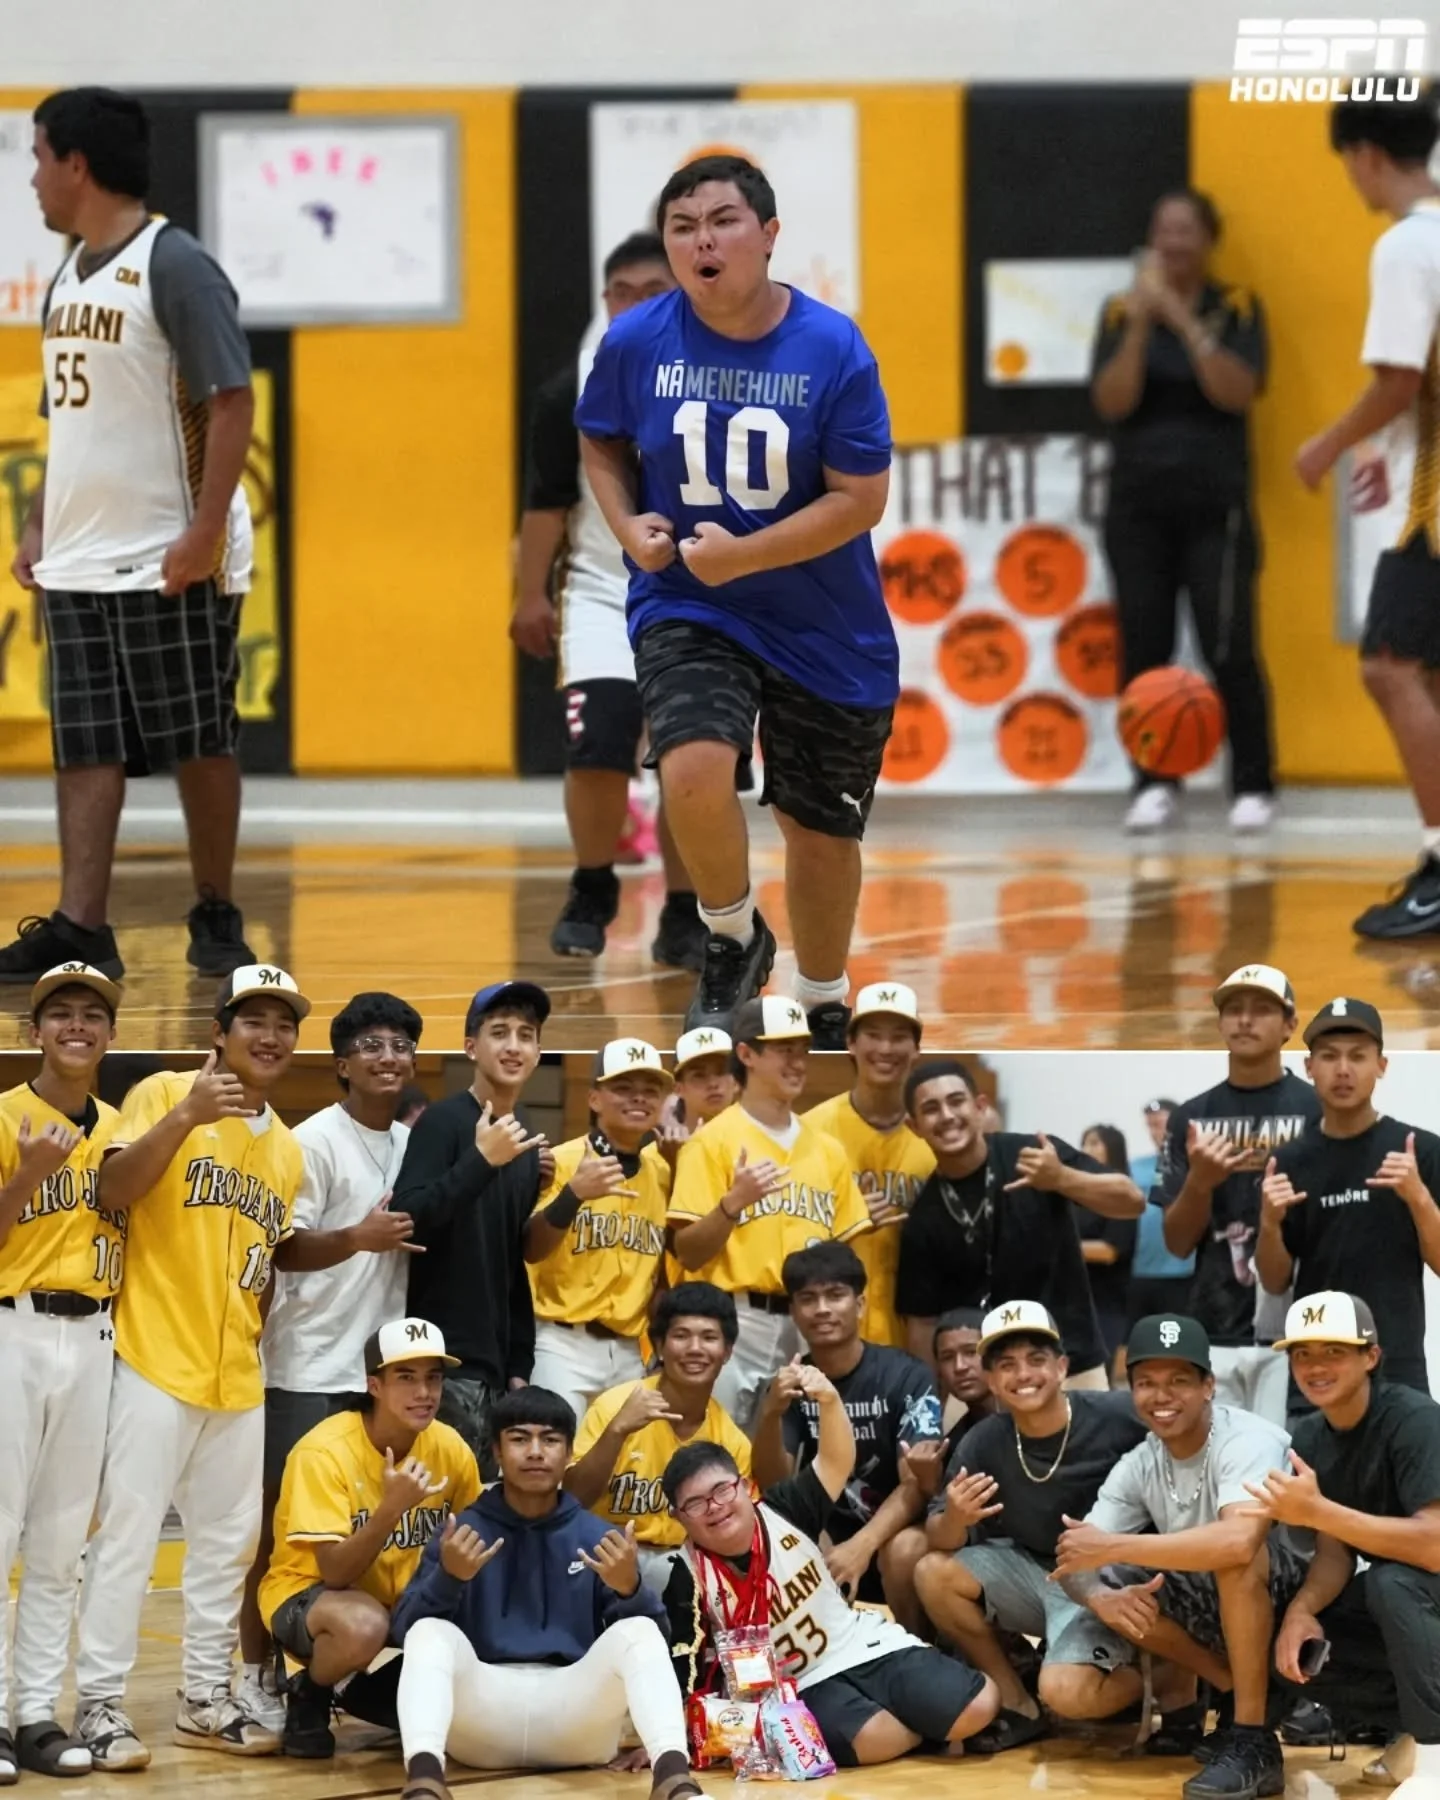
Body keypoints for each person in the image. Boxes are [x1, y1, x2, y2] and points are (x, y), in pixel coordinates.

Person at [575, 152, 898, 1047]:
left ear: (767, 236)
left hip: (823, 622)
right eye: (683, 227)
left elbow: (860, 499)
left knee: (817, 830)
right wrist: (628, 521)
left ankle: (825, 996)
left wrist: (747, 555)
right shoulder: (637, 339)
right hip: (690, 601)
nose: (701, 241)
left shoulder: (832, 347)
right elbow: (599, 442)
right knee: (690, 768)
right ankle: (731, 936)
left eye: (721, 222)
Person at [3, 87, 257, 984]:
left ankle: (217, 908)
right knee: (84, 743)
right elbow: (64, 418)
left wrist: (200, 531)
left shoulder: (173, 263)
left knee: (200, 736)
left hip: (164, 552)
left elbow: (232, 398)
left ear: (76, 163)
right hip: (78, 555)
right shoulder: (69, 273)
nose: (31, 176)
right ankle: (80, 923)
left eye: (37, 157)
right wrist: (39, 525)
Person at [72, 965, 308, 1767]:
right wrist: (185, 1115)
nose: (269, 1036)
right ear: (220, 1031)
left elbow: (267, 1263)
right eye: (253, 1020)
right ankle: (100, 1705)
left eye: (284, 1024)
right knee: (129, 1541)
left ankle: (203, 1697)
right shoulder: (164, 1091)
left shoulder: (285, 1149)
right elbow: (112, 1188)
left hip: (235, 1372)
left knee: (226, 1547)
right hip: (150, 1353)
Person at [512, 232, 705, 973]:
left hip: (700, 594)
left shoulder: (723, 374)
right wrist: (529, 593)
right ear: (605, 303)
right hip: (601, 591)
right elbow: (546, 505)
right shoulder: (571, 392)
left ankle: (686, 913)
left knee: (692, 758)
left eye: (652, 291)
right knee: (596, 748)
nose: (635, 306)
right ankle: (592, 886)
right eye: (621, 293)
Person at [239, 991, 428, 1729]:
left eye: (401, 1046)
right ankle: (256, 1674)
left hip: (381, 1373)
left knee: (370, 1527)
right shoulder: (309, 1140)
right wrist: (358, 1236)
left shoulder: (415, 1143)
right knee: (280, 1537)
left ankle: (322, 1681)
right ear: (342, 1064)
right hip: (308, 1366)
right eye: (372, 1046)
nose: (389, 1058)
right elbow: (284, 1247)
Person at [660, 1372, 1000, 1766]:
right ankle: (925, 1726)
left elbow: (836, 1461)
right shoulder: (686, 1575)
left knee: (979, 1705)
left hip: (860, 1644)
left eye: (721, 1490)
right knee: (874, 1739)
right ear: (678, 1517)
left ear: (742, 1486)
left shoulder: (783, 1508)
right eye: (697, 1503)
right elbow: (682, 1664)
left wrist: (829, 1400)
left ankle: (931, 1711)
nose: (715, 1506)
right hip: (797, 1687)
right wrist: (667, 1739)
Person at [390, 1387, 701, 1800]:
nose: (535, 1451)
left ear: (570, 1452)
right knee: (429, 1633)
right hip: (482, 1722)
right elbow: (404, 1634)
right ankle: (426, 1783)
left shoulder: (598, 1535)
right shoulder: (461, 1533)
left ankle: (674, 1782)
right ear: (497, 1453)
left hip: (576, 1720)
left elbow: (654, 1644)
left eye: (550, 1439)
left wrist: (630, 1588)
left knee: (640, 1631)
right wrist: (448, 1577)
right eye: (519, 1439)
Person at [1090, 187, 1275, 836]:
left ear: (1207, 239)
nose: (1173, 244)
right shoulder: (1119, 311)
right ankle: (1153, 782)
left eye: (1185, 231)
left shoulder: (1238, 308)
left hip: (1215, 505)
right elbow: (1113, 401)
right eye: (1163, 231)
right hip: (1137, 508)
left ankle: (1252, 784)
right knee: (1146, 648)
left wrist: (1184, 320)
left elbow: (1236, 391)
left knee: (1229, 647)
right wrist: (1145, 320)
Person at [1054, 1314, 1303, 1798]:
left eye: (1179, 1381)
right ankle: (1233, 1691)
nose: (1161, 1396)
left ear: (1209, 1385)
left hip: (1304, 1600)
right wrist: (1098, 1596)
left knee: (1233, 1557)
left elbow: (1237, 1544)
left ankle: (1253, 1741)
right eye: (1146, 1382)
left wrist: (1113, 1547)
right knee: (1123, 1584)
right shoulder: (1142, 1461)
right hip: (1221, 1602)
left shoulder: (1247, 1438)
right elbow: (1072, 1557)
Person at [1299, 93, 1440, 940]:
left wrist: (1327, 445)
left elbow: (1398, 379)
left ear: (1360, 155)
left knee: (1388, 666)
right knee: (1423, 673)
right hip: (1424, 476)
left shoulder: (1406, 244)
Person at [914, 1301, 1150, 1749]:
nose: (1023, 1374)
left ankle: (1160, 1675)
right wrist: (957, 1519)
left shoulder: (1119, 1415)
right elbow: (937, 1537)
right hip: (1032, 1573)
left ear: (1062, 1367)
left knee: (1067, 1695)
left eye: (1036, 1360)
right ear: (991, 1380)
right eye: (1007, 1364)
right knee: (931, 1571)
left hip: (1109, 1577)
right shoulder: (984, 1440)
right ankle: (1016, 1702)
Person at [0, 963, 122, 1782]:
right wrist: (28, 1177)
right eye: (60, 1014)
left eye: (92, 1014)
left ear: (110, 1035)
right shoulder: (5, 1115)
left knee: (58, 1543)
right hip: (14, 1327)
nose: (76, 1026)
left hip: (96, 1338)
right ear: (33, 1032)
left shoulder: (121, 1128)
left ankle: (36, 1713)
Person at [258, 1318, 480, 1759]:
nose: (424, 1393)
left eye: (433, 1378)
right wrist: (390, 1510)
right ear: (373, 1385)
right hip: (312, 1596)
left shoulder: (450, 1446)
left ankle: (364, 1691)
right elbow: (335, 1572)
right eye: (406, 1377)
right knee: (364, 1626)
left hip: (404, 1596)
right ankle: (312, 1692)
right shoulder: (323, 1452)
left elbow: (476, 1534)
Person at [1248, 1291, 1440, 1800]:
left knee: (1391, 1581)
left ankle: (1438, 1765)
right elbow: (1335, 1549)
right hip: (1414, 1601)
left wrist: (1318, 1511)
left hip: (1420, 1585)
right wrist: (1300, 1613)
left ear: (1370, 1357)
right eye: (1303, 1353)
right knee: (1294, 1652)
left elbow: (1435, 1547)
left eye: (1333, 1351)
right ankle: (1413, 1736)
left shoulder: (1416, 1420)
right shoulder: (1310, 1435)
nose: (1316, 1366)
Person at [666, 995, 869, 1428]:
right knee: (719, 1453)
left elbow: (842, 1260)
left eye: (802, 1051)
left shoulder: (827, 1150)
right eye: (784, 1051)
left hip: (806, 1323)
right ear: (747, 1054)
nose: (798, 1062)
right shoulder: (713, 1142)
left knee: (790, 1460)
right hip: (736, 1321)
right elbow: (688, 1252)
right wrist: (731, 1205)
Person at [895, 1061, 1141, 1388]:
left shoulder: (1034, 1155)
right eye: (931, 1108)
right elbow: (922, 1325)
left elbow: (1132, 1201)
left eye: (956, 1101)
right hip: (986, 1380)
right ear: (914, 1126)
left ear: (980, 1107)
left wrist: (1060, 1178)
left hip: (1070, 1361)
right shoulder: (923, 1217)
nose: (947, 1115)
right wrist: (928, 1408)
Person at [392, 980, 551, 1475]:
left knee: (481, 1511)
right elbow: (410, 1221)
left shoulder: (523, 1138)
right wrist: (481, 1160)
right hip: (442, 1361)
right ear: (470, 1046)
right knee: (438, 1517)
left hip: (496, 1369)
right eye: (499, 1032)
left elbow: (509, 1260)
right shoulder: (443, 1122)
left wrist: (519, 1364)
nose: (513, 1045)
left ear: (539, 1051)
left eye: (526, 1035)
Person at [751, 1241, 941, 1632]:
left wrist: (861, 1546)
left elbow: (916, 1483)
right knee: (780, 1538)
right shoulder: (787, 1382)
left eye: (835, 1295)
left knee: (905, 1550)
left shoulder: (907, 1374)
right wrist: (770, 1414)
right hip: (823, 1534)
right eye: (808, 1298)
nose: (822, 1309)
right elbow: (775, 1485)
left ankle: (920, 1652)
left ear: (860, 1304)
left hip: (893, 1533)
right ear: (794, 1312)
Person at [1158, 964, 1319, 1426]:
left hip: (1299, 1332)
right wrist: (1200, 1182)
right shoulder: (1190, 1117)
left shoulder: (1317, 1111)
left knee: (1285, 1468)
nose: (1245, 1020)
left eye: (1262, 1009)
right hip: (1214, 1330)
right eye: (1234, 1009)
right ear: (1220, 1022)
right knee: (1222, 1471)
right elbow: (1176, 1242)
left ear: (1290, 1025)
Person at [1257, 997, 1440, 1397]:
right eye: (1329, 1057)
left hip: (1398, 1367)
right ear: (1309, 1068)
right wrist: (1269, 1223)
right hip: (1316, 1369)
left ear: (1381, 1065)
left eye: (1358, 1056)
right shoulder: (1288, 1161)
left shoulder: (1420, 1151)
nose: (1343, 1070)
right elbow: (1274, 1281)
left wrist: (1419, 1198)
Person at [568, 1281, 752, 1593]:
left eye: (709, 1337)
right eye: (681, 1336)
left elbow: (738, 1536)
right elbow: (572, 1500)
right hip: (606, 1552)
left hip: (685, 1564)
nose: (695, 1348)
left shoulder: (732, 1441)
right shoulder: (614, 1406)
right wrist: (616, 1432)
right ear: (658, 1345)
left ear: (727, 1351)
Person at [525, 1038, 673, 1421]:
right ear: (594, 1099)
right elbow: (530, 1247)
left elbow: (660, 1274)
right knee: (553, 1461)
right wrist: (573, 1195)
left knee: (618, 1473)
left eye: (650, 1090)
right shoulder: (560, 1161)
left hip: (627, 1350)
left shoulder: (663, 1174)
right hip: (561, 1343)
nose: (638, 1098)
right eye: (623, 1088)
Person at [803, 982, 935, 1348]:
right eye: (873, 1035)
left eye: (898, 1037)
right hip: (828, 1339)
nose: (885, 1048)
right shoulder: (810, 1132)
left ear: (917, 1049)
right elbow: (785, 1238)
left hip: (913, 1340)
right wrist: (848, 1222)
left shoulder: (935, 1137)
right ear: (851, 1043)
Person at [1128, 1098, 1196, 1349]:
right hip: (1139, 1271)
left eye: (1161, 1124)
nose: (1156, 1132)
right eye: (1151, 1125)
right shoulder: (1134, 1167)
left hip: (1182, 1271)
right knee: (1139, 1347)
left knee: (1179, 1346)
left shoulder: (1195, 1166)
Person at [1078, 1124, 1139, 1373]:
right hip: (1074, 1299)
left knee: (1097, 1374)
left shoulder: (1123, 1192)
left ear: (1112, 1149)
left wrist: (1062, 1247)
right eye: (1084, 1143)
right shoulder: (1078, 1192)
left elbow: (1109, 1250)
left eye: (1094, 1143)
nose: (1086, 1149)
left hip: (1107, 1303)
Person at [933, 1307, 998, 1450]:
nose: (959, 1367)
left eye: (970, 1352)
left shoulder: (1037, 1420)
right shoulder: (954, 1446)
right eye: (947, 1357)